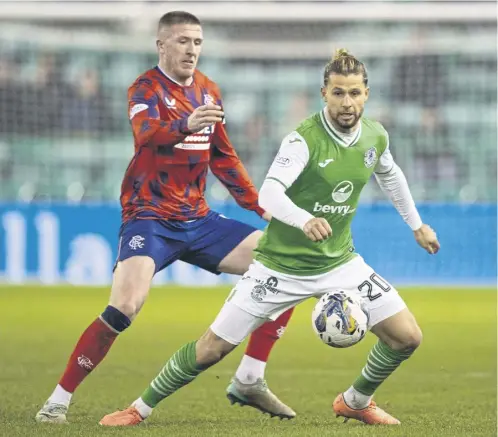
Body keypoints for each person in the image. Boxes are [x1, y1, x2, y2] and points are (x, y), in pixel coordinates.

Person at [98, 48, 441, 427]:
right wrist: (303, 218)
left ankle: (355, 401)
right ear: (324, 93)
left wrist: (417, 225)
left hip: (340, 262)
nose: (348, 102)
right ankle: (139, 408)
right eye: (339, 93)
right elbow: (269, 194)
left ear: (367, 95)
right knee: (211, 349)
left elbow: (389, 174)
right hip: (280, 266)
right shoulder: (303, 140)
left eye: (355, 93)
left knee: (407, 337)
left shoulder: (375, 135)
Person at [35, 11, 297, 424]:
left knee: (287, 262)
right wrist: (184, 123)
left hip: (199, 219)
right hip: (150, 218)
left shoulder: (210, 90)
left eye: (197, 42)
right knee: (125, 306)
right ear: (162, 45)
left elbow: (223, 158)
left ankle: (250, 377)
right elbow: (146, 133)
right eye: (182, 41)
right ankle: (57, 401)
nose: (191, 49)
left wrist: (265, 208)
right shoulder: (145, 87)